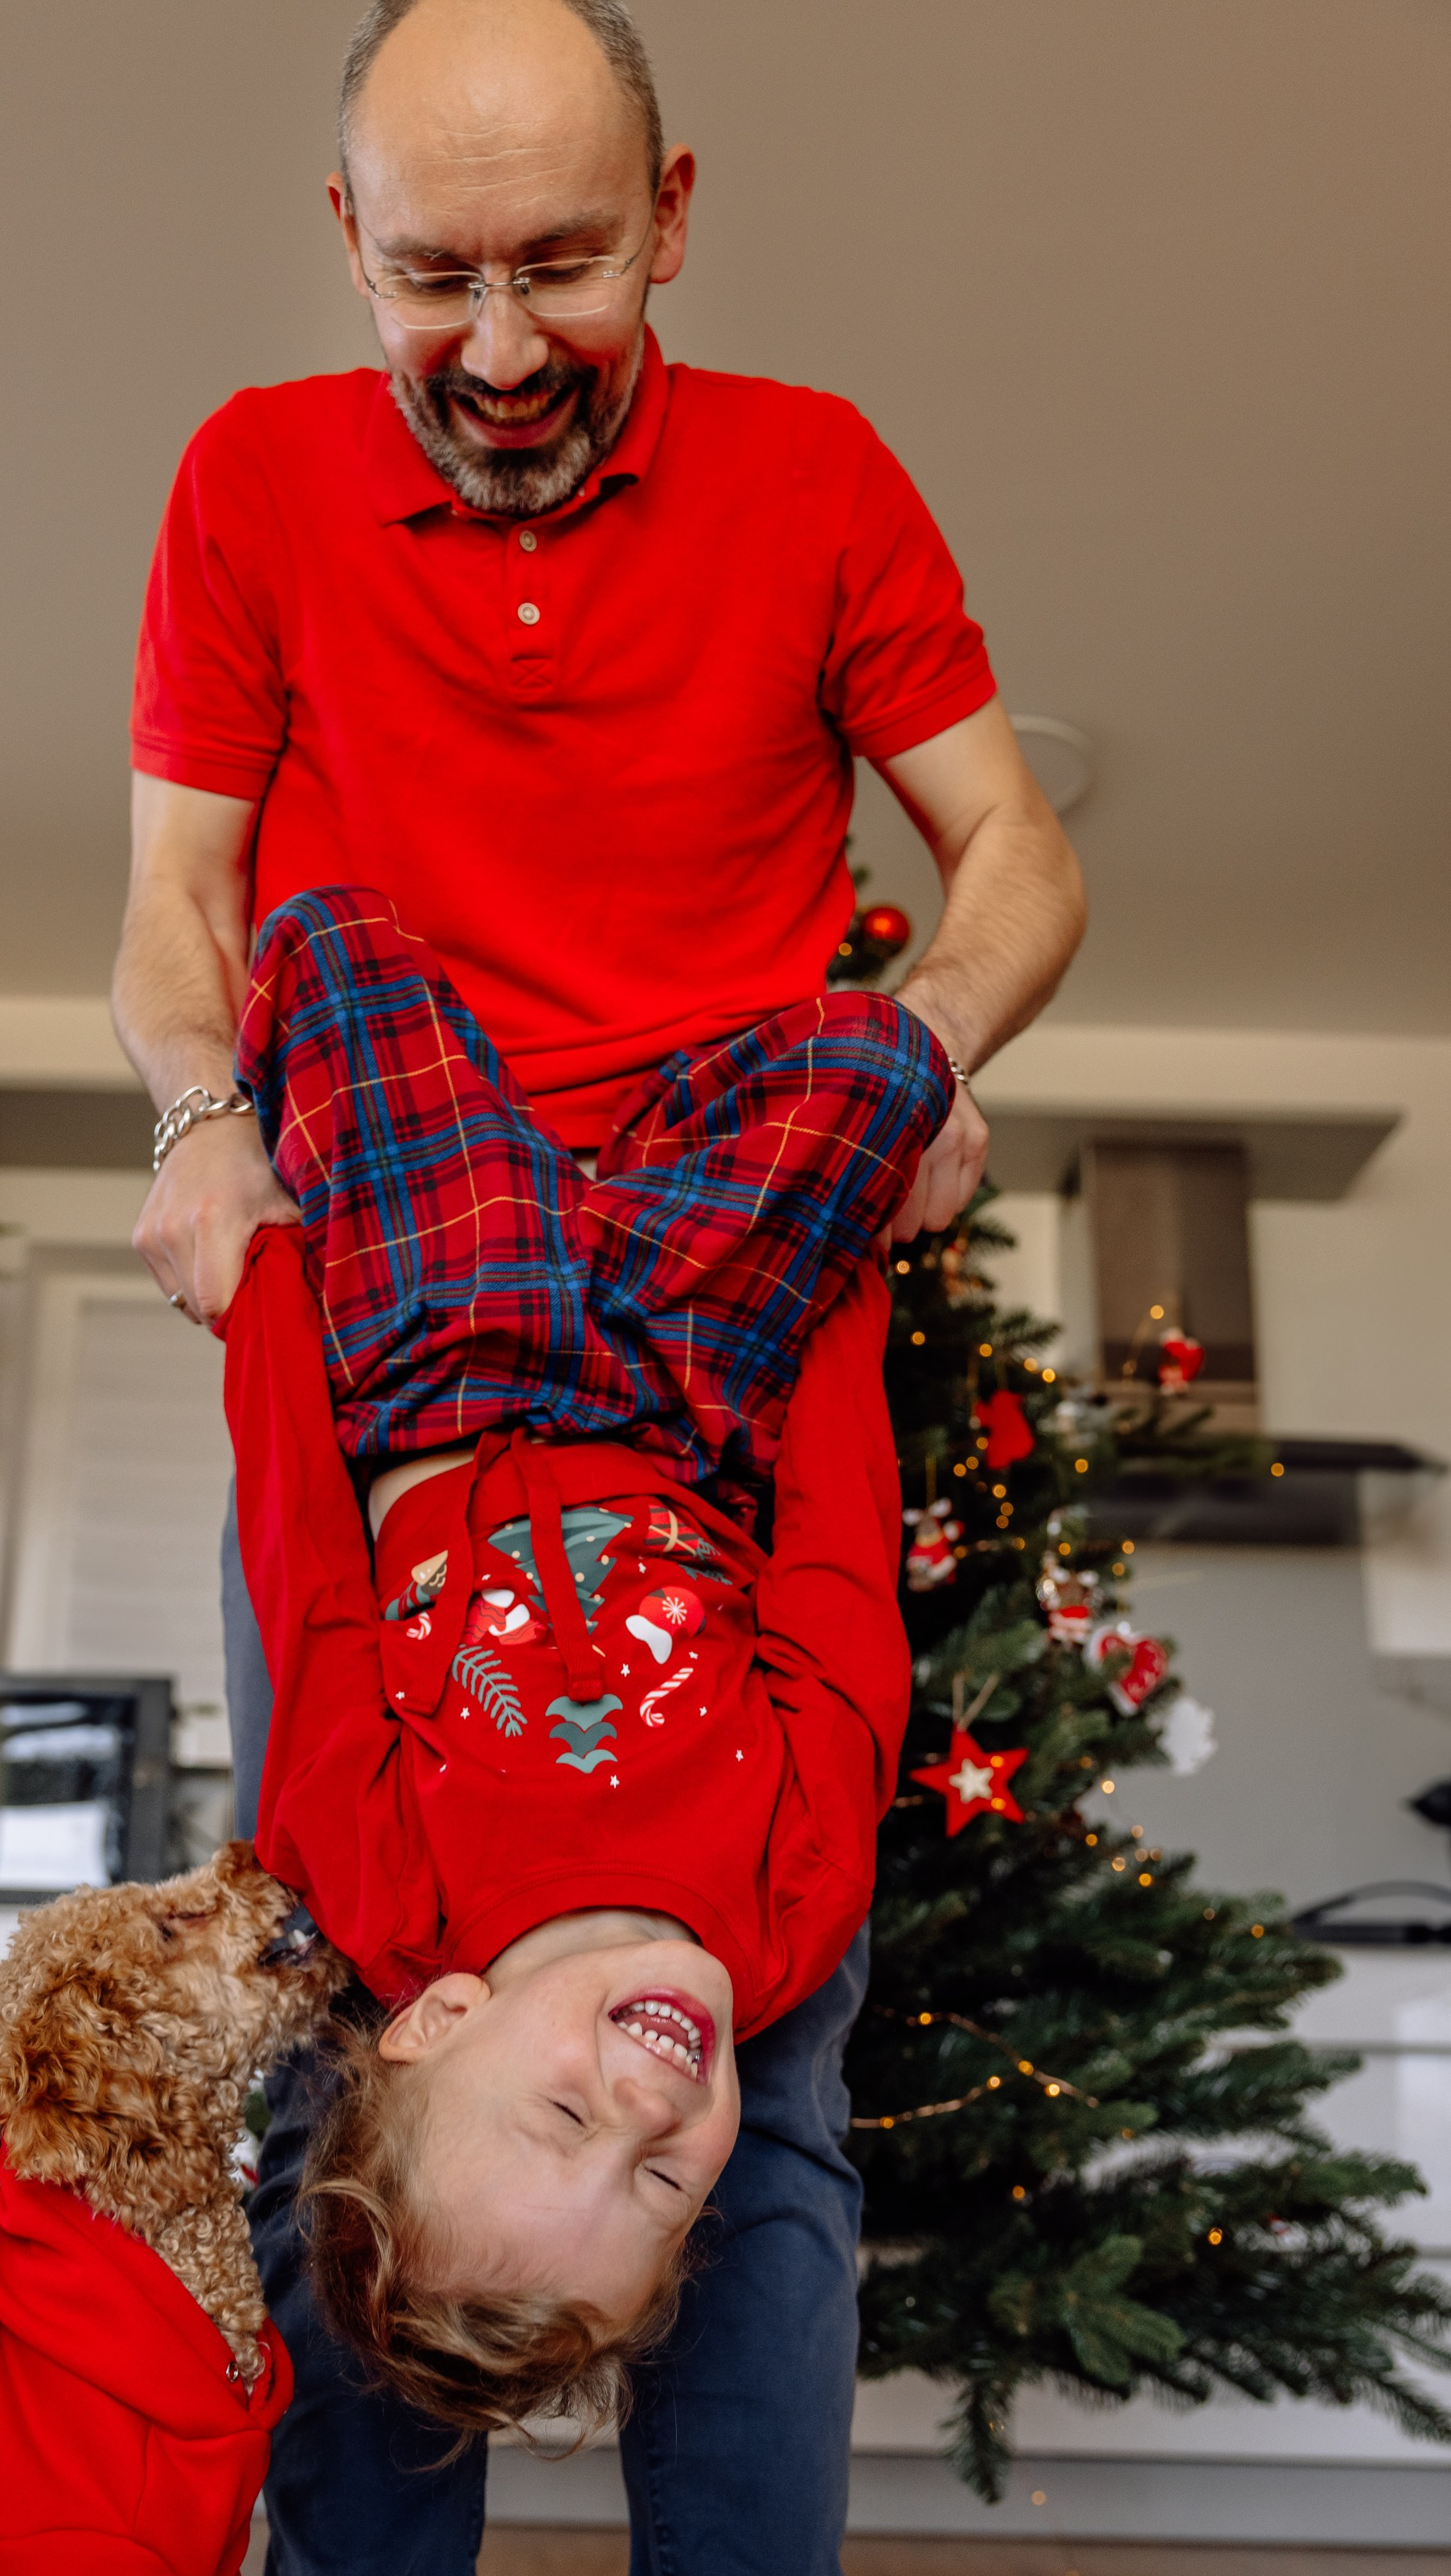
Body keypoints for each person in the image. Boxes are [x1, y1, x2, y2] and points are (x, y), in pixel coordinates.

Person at [111, 4, 1085, 2576]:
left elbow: (1012, 856)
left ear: (676, 211)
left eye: (565, 265)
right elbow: (184, 895)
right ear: (345, 231)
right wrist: (200, 1135)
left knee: (750, 2161)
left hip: (703, 1236)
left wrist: (920, 1063)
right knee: (353, 2153)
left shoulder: (820, 479)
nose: (501, 344)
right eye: (434, 276)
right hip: (409, 1272)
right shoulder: (253, 484)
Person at [216, 880, 949, 2415]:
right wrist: (845, 1284)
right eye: (668, 2183)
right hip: (696, 1387)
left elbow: (309, 1585)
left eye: (565, 2118)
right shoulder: (791, 1904)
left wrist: (271, 1299)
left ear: (434, 2025)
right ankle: (643, 1135)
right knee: (886, 1065)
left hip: (439, 1355)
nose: (652, 2107)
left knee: (326, 948)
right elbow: (838, 1591)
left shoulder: (375, 1879)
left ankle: (591, 1143)